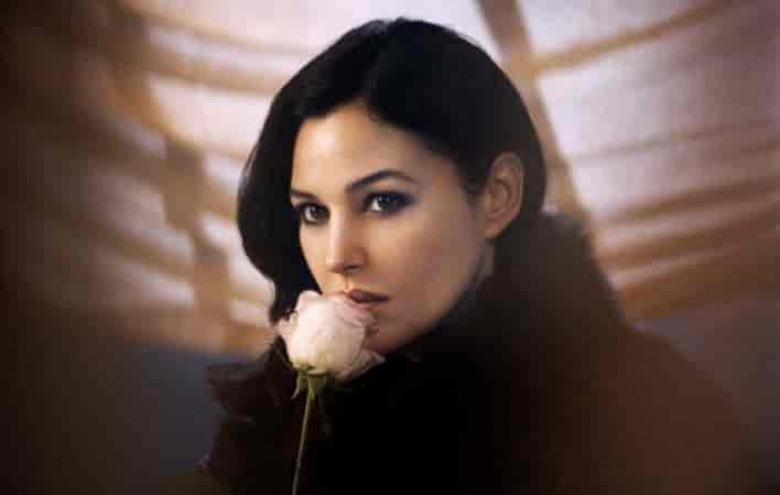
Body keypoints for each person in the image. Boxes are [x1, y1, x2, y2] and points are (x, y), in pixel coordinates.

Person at [161, 18, 748, 495]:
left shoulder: (646, 417)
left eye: (384, 201)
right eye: (314, 211)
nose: (338, 256)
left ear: (498, 197)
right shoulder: (297, 409)